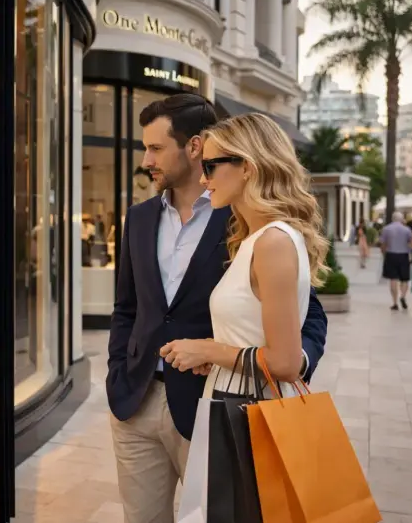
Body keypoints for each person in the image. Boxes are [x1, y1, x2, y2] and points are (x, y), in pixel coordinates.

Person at [106, 94, 329, 523]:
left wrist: (294, 363)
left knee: (221, 514)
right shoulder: (140, 217)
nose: (145, 159)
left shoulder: (248, 223)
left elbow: (307, 313)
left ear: (192, 147)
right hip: (136, 399)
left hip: (222, 407)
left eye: (155, 148)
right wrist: (118, 374)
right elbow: (126, 308)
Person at [380, 211, 412, 310]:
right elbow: (411, 243)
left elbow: (383, 243)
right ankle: (402, 296)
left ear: (392, 218)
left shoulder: (386, 229)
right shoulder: (407, 230)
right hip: (403, 255)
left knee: (393, 279)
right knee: (404, 279)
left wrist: (384, 253)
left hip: (391, 254)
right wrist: (411, 254)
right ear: (402, 219)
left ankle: (395, 302)